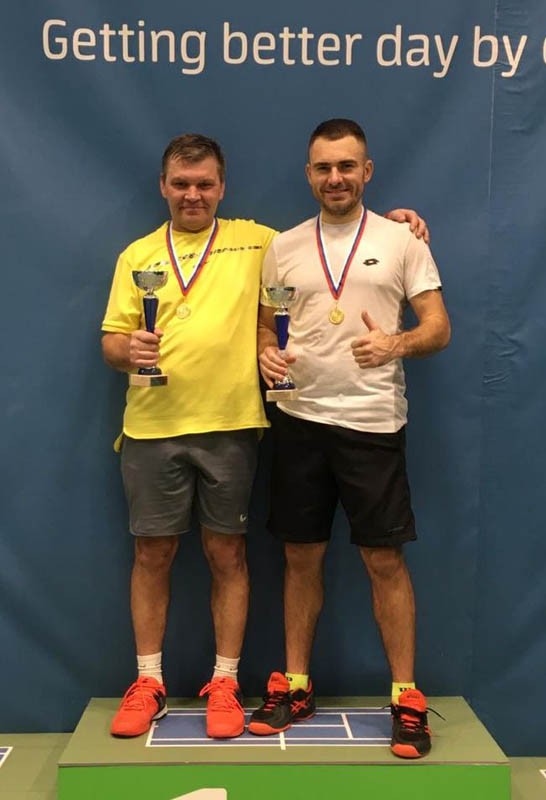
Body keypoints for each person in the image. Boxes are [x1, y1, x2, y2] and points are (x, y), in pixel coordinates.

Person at [101, 132, 430, 741]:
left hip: (237, 427)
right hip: (154, 425)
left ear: (222, 188)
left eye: (205, 184)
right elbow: (111, 341)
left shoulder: (261, 241)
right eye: (181, 184)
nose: (193, 194)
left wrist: (400, 224)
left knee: (231, 555)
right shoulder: (138, 255)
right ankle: (148, 681)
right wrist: (128, 351)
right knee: (153, 554)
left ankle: (227, 681)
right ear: (163, 187)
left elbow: (341, 231)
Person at [249, 119, 450, 759]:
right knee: (300, 556)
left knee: (383, 561)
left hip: (372, 424)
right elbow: (266, 328)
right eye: (323, 168)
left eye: (346, 166)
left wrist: (396, 344)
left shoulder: (401, 240)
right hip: (299, 421)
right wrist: (265, 352)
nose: (334, 178)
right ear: (308, 174)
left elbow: (439, 327)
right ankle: (296, 685)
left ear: (367, 171)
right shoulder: (283, 246)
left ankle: (406, 697)